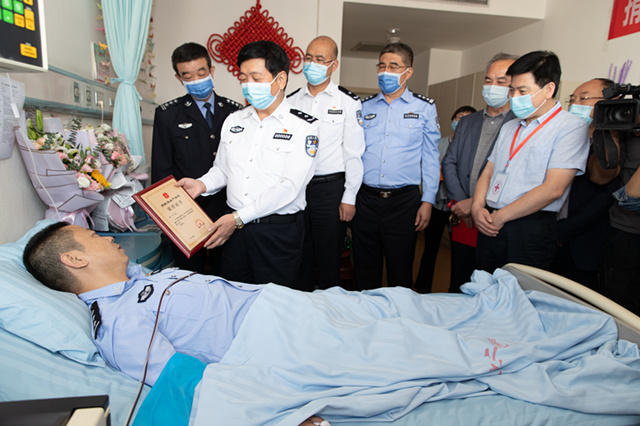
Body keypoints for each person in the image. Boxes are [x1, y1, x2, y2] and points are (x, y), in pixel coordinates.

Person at [23, 222, 639, 425]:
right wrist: (288, 412)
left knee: (400, 302)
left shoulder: (139, 280)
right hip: (281, 338)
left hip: (296, 307)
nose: (108, 236)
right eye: (91, 237)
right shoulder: (118, 323)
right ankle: (525, 352)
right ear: (74, 261)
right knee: (420, 346)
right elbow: (192, 383)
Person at [176, 41, 319, 289]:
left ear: (280, 79)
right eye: (243, 78)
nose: (248, 85)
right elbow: (223, 169)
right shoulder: (234, 120)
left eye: (256, 77)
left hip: (276, 233)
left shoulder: (304, 126)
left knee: (274, 301)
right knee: (235, 296)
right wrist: (201, 184)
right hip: (235, 233)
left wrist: (237, 219)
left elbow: (289, 187)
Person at [471, 51, 590, 273]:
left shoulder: (570, 128)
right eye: (512, 90)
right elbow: (488, 171)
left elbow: (554, 188)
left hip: (530, 228)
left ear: (549, 89)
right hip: (490, 222)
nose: (514, 97)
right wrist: (477, 208)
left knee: (520, 290)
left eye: (522, 91)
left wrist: (501, 217)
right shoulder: (510, 126)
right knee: (483, 286)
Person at [353, 42, 441, 290]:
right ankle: (365, 312)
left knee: (400, 269)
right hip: (366, 199)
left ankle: (398, 313)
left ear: (408, 72)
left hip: (403, 202)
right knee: (364, 269)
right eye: (381, 66)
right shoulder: (364, 107)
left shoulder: (424, 107)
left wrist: (428, 201)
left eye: (393, 66)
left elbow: (431, 157)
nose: (385, 71)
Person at [151, 42, 242, 275]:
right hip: (187, 210)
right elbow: (162, 170)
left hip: (227, 207)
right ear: (179, 78)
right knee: (189, 273)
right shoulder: (167, 114)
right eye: (188, 76)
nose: (196, 80)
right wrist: (170, 217)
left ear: (211, 71)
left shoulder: (235, 112)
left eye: (201, 73)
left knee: (228, 271)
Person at [287, 36, 365, 290]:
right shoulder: (290, 102)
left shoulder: (347, 102)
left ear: (334, 65)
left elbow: (354, 153)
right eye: (308, 58)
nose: (312, 64)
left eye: (320, 60)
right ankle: (302, 306)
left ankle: (329, 308)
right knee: (300, 255)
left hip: (330, 191)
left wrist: (349, 197)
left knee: (329, 258)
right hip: (297, 189)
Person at [441, 53, 518, 292]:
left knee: (491, 286)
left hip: (495, 219)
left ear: (515, 85)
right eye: (488, 80)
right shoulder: (468, 122)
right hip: (463, 216)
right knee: (460, 280)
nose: (492, 86)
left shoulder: (521, 123)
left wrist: (476, 203)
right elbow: (449, 162)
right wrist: (461, 202)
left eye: (501, 81)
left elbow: (515, 174)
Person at [551, 78, 620, 289]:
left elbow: (605, 194)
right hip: (550, 238)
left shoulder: (617, 141)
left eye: (584, 98)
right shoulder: (564, 138)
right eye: (572, 99)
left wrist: (563, 230)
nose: (575, 105)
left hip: (584, 244)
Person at [588, 90, 640, 315]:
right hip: (625, 232)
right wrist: (611, 133)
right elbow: (600, 178)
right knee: (615, 310)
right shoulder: (631, 129)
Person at [414, 105, 476, 294]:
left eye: (466, 118)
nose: (461, 121)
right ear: (452, 120)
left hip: (460, 208)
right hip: (437, 204)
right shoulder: (438, 143)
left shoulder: (474, 147)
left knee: (460, 251)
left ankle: (457, 291)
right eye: (458, 117)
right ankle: (422, 287)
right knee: (430, 248)